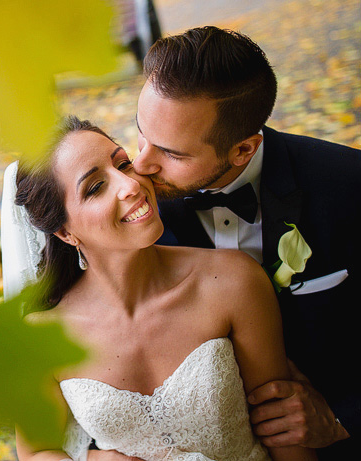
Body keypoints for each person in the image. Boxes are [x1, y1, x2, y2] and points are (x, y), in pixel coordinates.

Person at [2, 116, 315, 460]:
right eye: (95, 187)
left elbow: (286, 434)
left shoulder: (232, 283)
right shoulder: (42, 336)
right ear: (64, 232)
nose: (131, 185)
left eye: (123, 163)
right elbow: (36, 452)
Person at [131, 26, 360, 459]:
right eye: (140, 131)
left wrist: (341, 418)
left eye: (172, 154)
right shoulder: (130, 210)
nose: (140, 164)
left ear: (242, 150)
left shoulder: (349, 186)